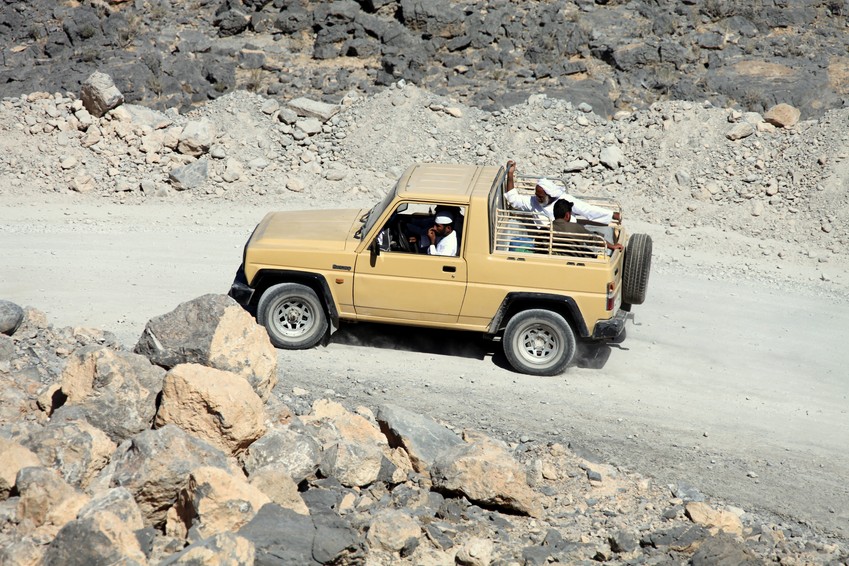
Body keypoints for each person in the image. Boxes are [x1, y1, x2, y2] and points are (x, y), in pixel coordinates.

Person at [504, 160, 621, 226]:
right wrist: (510, 175)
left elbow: (587, 210)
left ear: (549, 195)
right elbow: (513, 199)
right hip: (546, 238)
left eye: (540, 196)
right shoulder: (533, 202)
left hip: (569, 233)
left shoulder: (563, 201)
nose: (537, 198)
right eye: (536, 195)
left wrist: (611, 215)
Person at [552, 199, 623, 255]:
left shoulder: (545, 229)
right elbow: (594, 238)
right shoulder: (575, 228)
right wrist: (612, 246)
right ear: (567, 215)